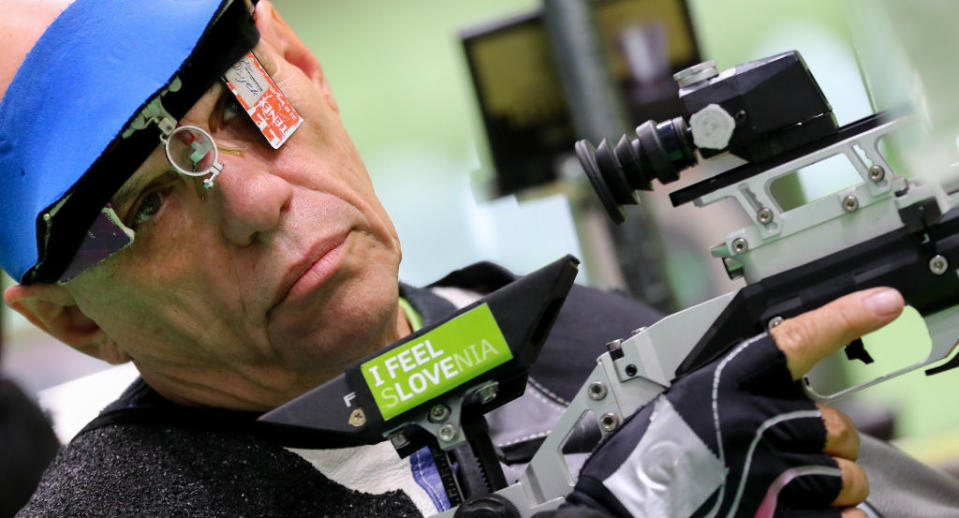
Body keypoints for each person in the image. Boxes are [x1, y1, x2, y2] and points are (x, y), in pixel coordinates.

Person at [1, 1, 958, 517]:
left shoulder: (591, 336)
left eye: (244, 104)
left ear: (299, 64)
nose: (253, 203)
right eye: (148, 205)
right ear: (74, 322)